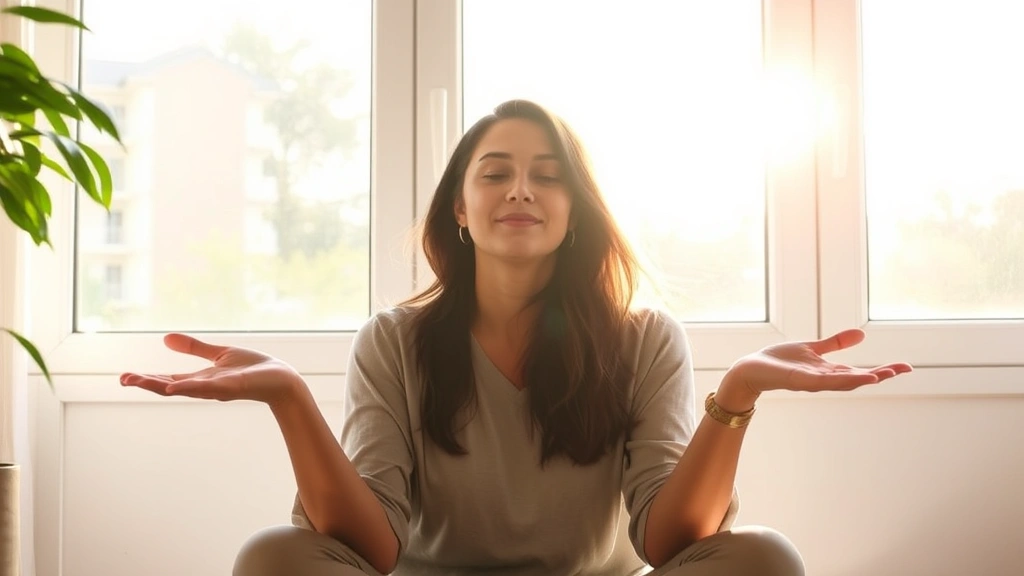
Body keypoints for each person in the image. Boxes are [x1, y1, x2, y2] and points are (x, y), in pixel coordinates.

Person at [121, 99, 912, 576]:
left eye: (548, 173)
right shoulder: (393, 340)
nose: (522, 189)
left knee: (767, 559)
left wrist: (738, 392)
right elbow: (376, 546)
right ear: (459, 209)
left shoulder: (644, 339)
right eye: (495, 172)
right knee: (271, 556)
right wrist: (289, 398)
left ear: (575, 212)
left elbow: (669, 541)